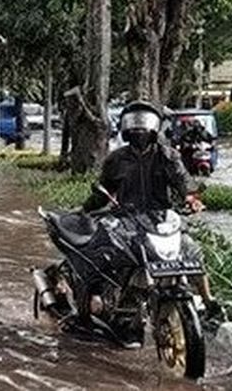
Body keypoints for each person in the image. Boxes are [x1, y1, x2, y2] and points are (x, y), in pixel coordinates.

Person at [82, 100, 220, 322]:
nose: (139, 128)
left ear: (155, 126)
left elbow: (183, 180)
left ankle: (209, 300)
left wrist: (191, 198)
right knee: (102, 249)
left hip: (162, 219)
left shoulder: (167, 156)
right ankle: (96, 296)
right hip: (127, 219)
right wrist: (84, 210)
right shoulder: (115, 159)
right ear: (125, 127)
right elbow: (102, 193)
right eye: (134, 123)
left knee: (191, 251)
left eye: (144, 122)